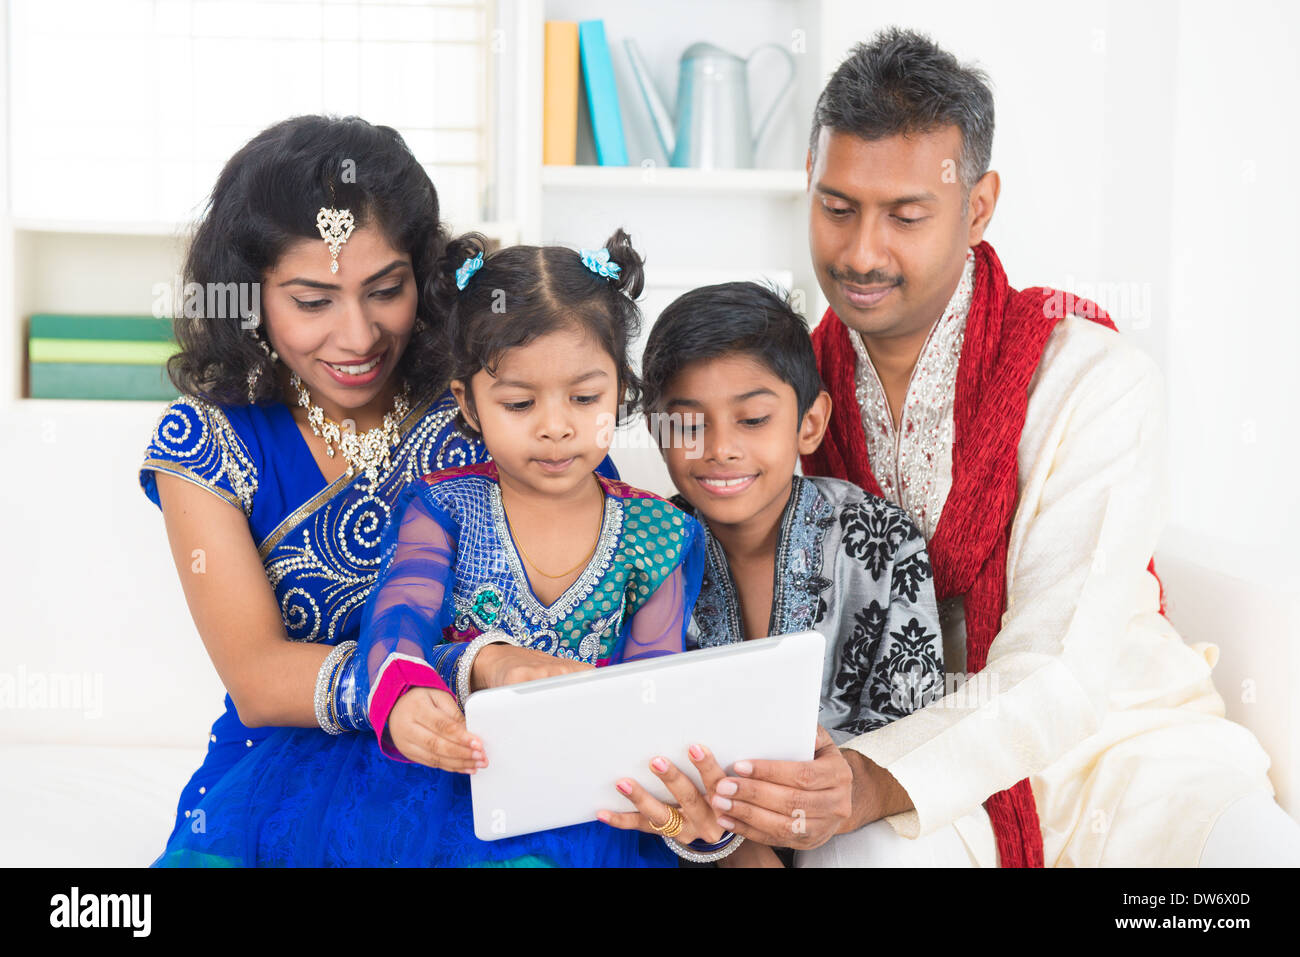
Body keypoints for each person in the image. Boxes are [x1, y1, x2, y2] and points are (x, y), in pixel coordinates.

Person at [704, 27, 1300, 867]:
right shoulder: (787, 403)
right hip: (912, 763)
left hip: (1123, 747)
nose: (862, 251)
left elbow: (1062, 667)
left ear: (976, 206)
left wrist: (869, 781)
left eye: (906, 215)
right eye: (837, 207)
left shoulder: (1091, 378)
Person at [151, 228, 717, 866]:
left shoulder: (660, 535)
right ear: (469, 407)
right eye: (520, 402)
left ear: (622, 391)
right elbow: (396, 619)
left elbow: (650, 691)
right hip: (447, 757)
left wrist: (690, 820)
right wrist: (405, 693)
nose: (557, 426)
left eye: (585, 398)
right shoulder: (441, 505)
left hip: (572, 780)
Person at [138, 115, 509, 850]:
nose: (359, 336)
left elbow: (611, 550)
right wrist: (467, 668)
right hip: (292, 762)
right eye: (312, 302)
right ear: (249, 297)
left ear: (424, 274)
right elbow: (258, 674)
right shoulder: (205, 440)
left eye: (386, 290)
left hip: (489, 742)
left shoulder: (489, 390)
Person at [637, 280, 948, 868]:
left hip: (845, 827)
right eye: (687, 424)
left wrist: (843, 793)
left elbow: (915, 735)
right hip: (686, 836)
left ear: (809, 424)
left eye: (753, 419)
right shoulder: (644, 551)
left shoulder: (879, 541)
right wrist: (737, 845)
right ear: (656, 431)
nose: (720, 448)